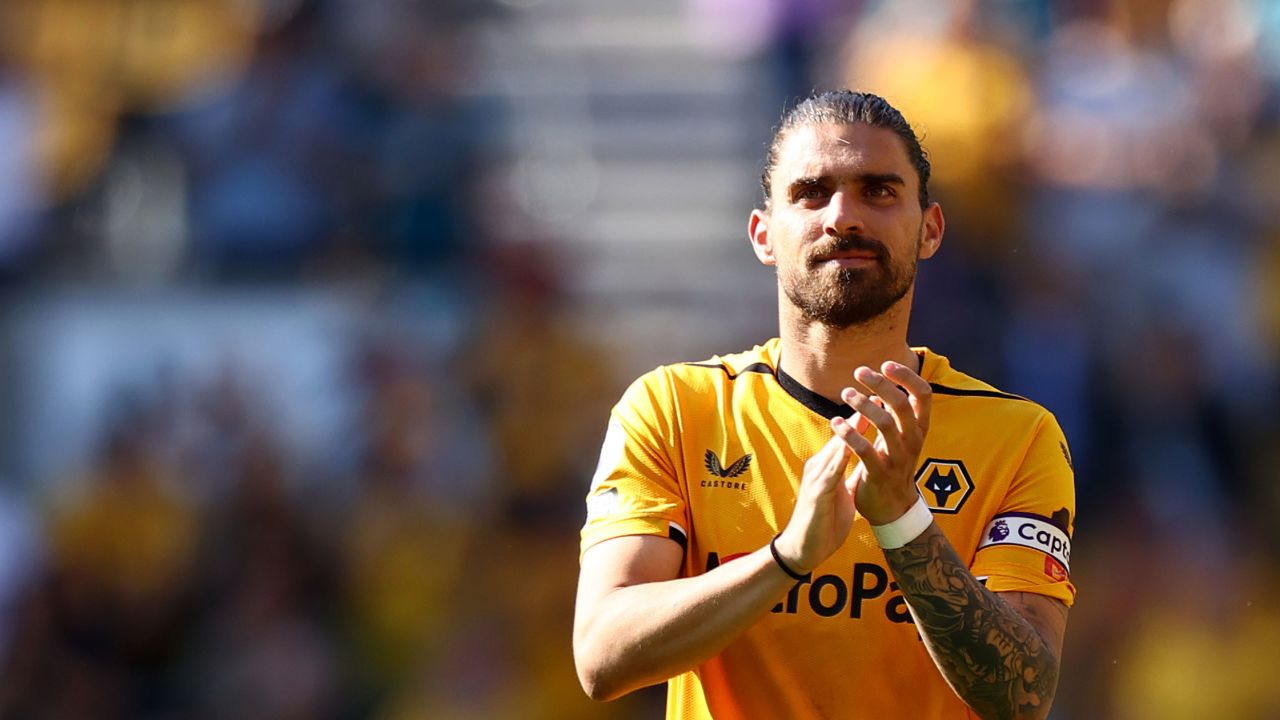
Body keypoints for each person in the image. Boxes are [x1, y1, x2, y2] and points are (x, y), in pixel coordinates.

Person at [573, 90, 1076, 719]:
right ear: (763, 234)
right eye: (811, 192)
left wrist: (902, 520)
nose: (843, 216)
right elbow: (601, 656)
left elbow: (1022, 695)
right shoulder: (673, 409)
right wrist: (787, 558)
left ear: (931, 229)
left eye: (880, 191)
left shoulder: (1018, 436)